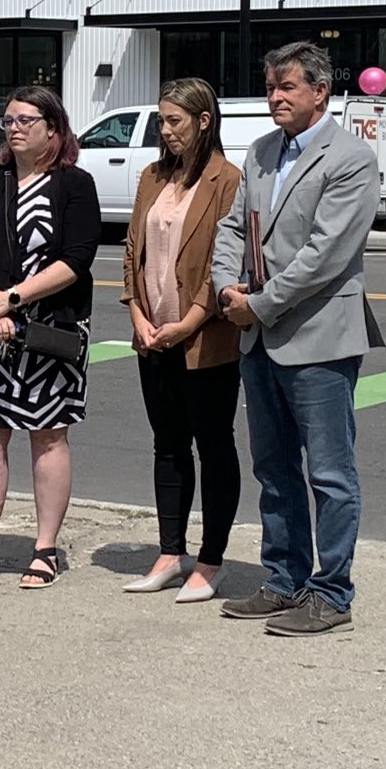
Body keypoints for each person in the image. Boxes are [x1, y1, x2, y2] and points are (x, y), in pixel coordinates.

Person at [211, 41, 382, 637]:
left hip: (319, 338)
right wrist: (225, 286)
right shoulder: (261, 151)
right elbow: (233, 227)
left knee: (329, 474)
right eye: (270, 88)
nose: (275, 98)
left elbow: (326, 255)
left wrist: (257, 304)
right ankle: (283, 580)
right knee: (273, 466)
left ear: (320, 92)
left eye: (287, 87)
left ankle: (331, 593)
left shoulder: (351, 158)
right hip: (258, 336)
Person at [0, 86, 101, 591]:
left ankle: (45, 549)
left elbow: (76, 259)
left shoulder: (74, 184)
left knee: (48, 433)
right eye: (7, 121)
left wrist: (12, 298)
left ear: (52, 129)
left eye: (24, 120)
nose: (13, 128)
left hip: (51, 327)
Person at [120, 77, 242, 603]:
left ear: (203, 121)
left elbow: (226, 259)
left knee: (213, 445)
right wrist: (136, 313)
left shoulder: (227, 179)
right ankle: (171, 552)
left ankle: (211, 560)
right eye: (161, 121)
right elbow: (132, 250)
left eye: (175, 121)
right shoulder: (152, 176)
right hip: (153, 336)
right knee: (167, 445)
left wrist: (190, 321)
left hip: (204, 340)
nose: (166, 131)